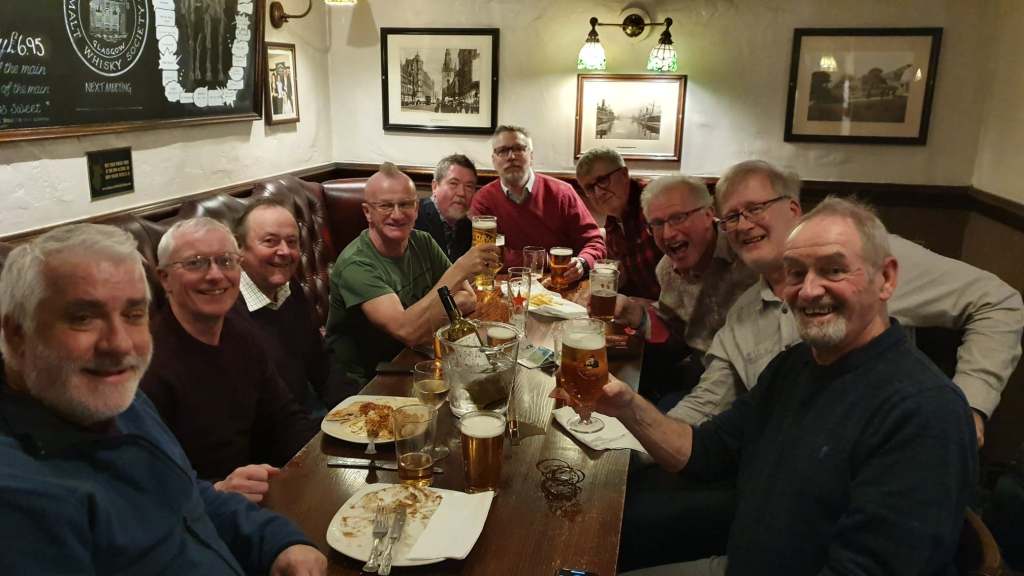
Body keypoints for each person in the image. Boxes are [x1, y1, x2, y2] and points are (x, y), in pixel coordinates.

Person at [610, 198, 977, 575]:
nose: (809, 290)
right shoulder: (795, 364)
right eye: (796, 273)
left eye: (834, 270)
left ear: (886, 279)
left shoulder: (925, 412)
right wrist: (624, 404)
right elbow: (706, 450)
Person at [0, 223, 326, 574]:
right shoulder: (18, 495)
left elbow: (186, 495)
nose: (119, 344)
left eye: (133, 314)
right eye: (83, 318)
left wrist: (277, 542)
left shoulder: (123, 399)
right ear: (17, 333)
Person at [670, 160, 1024, 449]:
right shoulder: (744, 311)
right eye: (731, 218)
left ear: (793, 208)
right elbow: (707, 402)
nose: (743, 225)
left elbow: (997, 301)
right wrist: (642, 440)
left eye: (755, 208)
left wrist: (968, 406)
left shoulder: (867, 261)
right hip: (779, 467)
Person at [142, 217, 319, 502]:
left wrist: (328, 459)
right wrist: (218, 490)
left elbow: (284, 418)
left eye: (226, 261)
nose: (215, 275)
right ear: (165, 278)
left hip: (257, 496)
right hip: (196, 512)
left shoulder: (242, 333)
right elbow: (148, 481)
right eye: (195, 263)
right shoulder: (147, 364)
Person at [326, 162, 499, 386]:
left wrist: (422, 320)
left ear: (416, 208)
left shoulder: (422, 241)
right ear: (368, 212)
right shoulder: (356, 264)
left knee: (496, 379)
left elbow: (468, 298)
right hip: (368, 381)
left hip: (416, 359)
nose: (397, 215)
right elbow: (407, 331)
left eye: (405, 204)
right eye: (386, 206)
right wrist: (459, 269)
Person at [611, 174, 757, 405]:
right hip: (698, 377)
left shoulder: (748, 254)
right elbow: (676, 336)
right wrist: (636, 314)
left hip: (749, 388)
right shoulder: (666, 269)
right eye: (657, 224)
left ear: (709, 214)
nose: (668, 234)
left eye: (678, 218)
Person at [234, 197, 349, 414]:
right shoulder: (227, 312)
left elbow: (320, 361)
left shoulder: (290, 287)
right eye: (270, 241)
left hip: (308, 410)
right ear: (239, 248)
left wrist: (354, 410)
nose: (285, 251)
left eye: (292, 241)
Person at [471, 125, 605, 282]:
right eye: (502, 151)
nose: (511, 156)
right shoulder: (483, 199)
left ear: (531, 156)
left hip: (560, 283)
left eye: (519, 149)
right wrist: (544, 260)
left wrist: (582, 263)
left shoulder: (562, 193)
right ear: (494, 160)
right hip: (504, 285)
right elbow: (484, 255)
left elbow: (594, 242)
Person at [575, 147, 662, 300]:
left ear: (624, 174)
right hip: (647, 306)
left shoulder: (655, 203)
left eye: (603, 180)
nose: (599, 192)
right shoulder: (612, 221)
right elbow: (627, 276)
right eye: (590, 188)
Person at [415, 153, 476, 262]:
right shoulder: (414, 218)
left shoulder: (468, 227)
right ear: (435, 187)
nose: (462, 193)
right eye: (453, 184)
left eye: (469, 186)